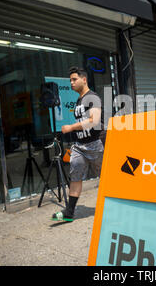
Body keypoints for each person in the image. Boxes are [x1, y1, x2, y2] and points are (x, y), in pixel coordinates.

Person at [52, 67, 104, 222]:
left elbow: (94, 121)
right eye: (70, 80)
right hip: (80, 146)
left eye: (74, 79)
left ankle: (119, 206)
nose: (71, 83)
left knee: (106, 177)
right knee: (75, 176)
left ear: (84, 79)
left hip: (96, 144)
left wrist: (71, 127)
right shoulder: (79, 100)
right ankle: (69, 212)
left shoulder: (93, 97)